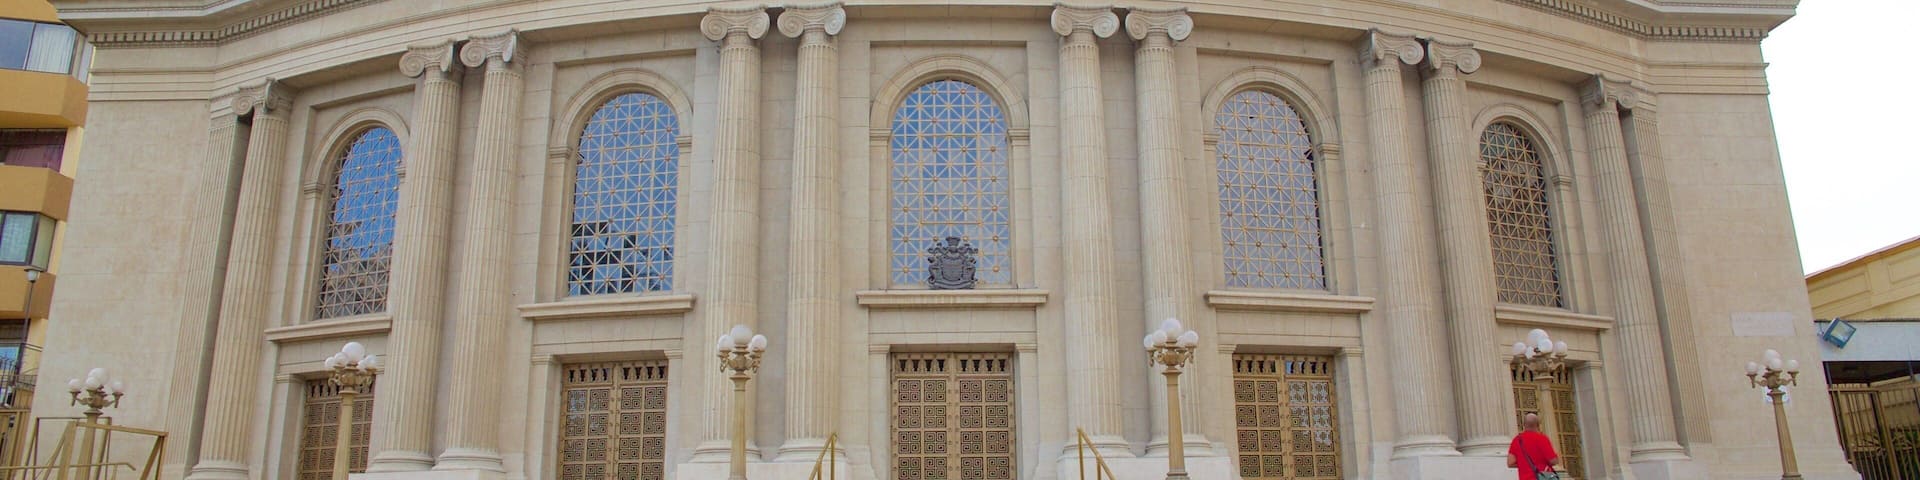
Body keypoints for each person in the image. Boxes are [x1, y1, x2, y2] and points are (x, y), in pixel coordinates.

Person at [1508, 413, 1560, 480]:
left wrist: (1524, 464)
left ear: (1524, 424)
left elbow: (1510, 463)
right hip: (1542, 477)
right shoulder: (1542, 439)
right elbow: (1553, 461)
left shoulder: (1517, 440)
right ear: (1538, 424)